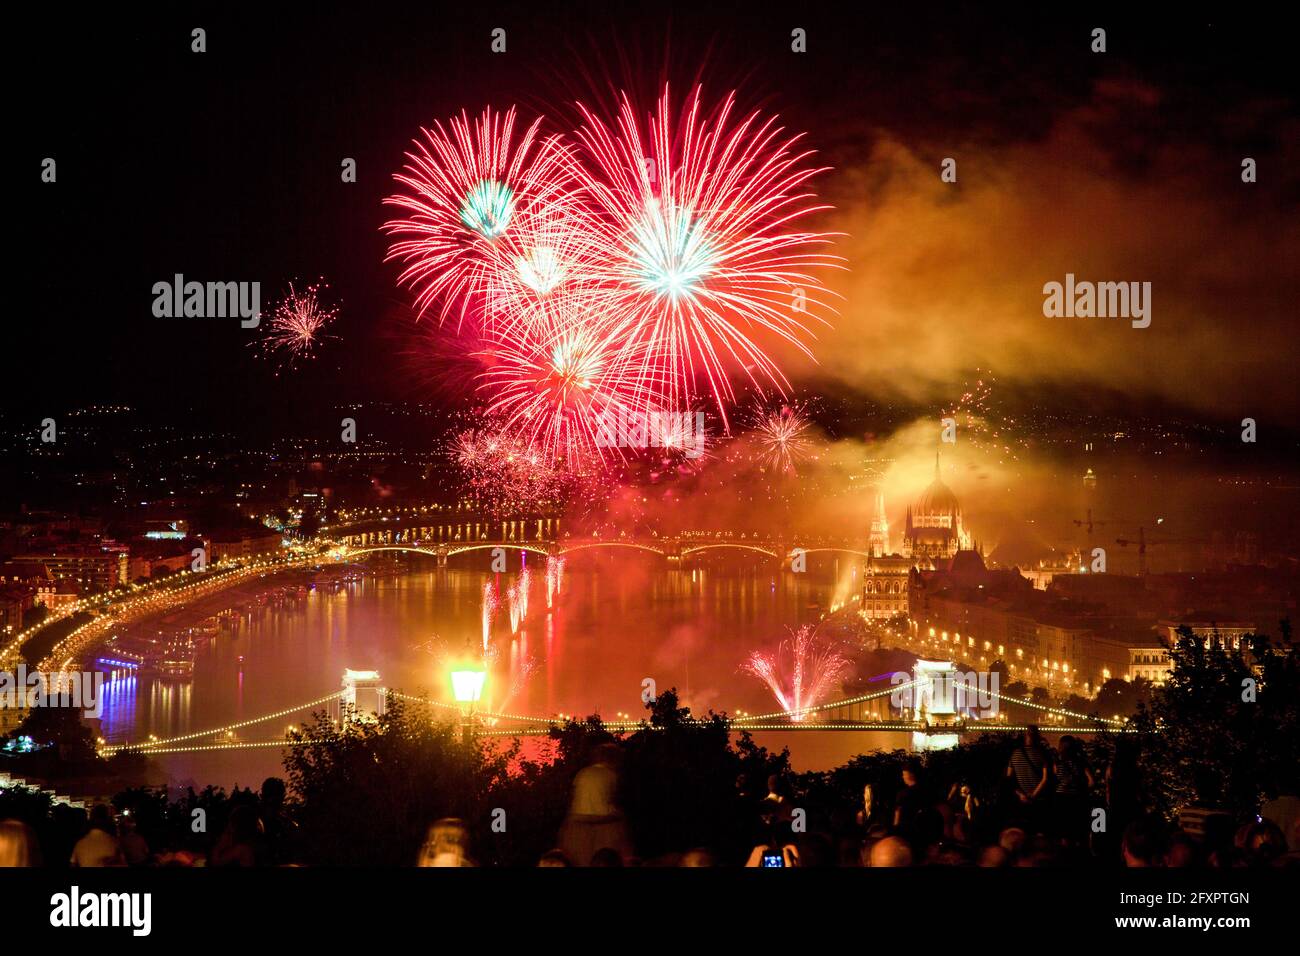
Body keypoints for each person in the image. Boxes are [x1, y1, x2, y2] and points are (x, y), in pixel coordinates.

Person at [558, 742, 632, 866]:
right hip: (605, 824)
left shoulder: (582, 773)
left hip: (577, 824)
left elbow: (574, 799)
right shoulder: (612, 775)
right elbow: (617, 801)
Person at [1006, 726, 1052, 832]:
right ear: (1038, 737)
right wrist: (1034, 795)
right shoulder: (1042, 754)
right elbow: (1045, 778)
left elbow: (1009, 779)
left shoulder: (1015, 754)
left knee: (1023, 831)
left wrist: (1021, 795)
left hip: (1020, 800)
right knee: (1038, 830)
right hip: (1039, 800)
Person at [1052, 735, 1094, 846]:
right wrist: (1083, 790)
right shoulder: (1081, 762)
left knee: (1064, 833)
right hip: (1077, 799)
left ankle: (1065, 857)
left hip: (1061, 800)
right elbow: (1092, 781)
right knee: (1078, 832)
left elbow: (1054, 780)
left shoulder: (1056, 763)